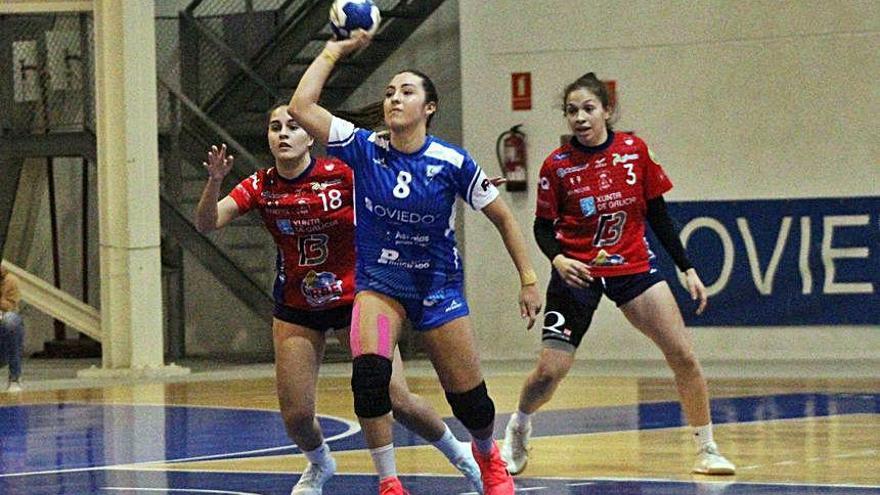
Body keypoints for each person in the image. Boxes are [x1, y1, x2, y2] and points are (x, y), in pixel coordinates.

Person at [289, 31, 542, 495]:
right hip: (382, 290)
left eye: (407, 92)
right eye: (389, 93)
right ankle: (388, 482)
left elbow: (503, 217)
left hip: (437, 291)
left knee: (471, 403)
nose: (394, 99)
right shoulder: (364, 147)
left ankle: (488, 456)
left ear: (429, 107)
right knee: (370, 378)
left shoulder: (452, 161)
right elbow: (302, 107)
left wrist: (528, 280)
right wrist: (335, 49)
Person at [195, 104, 485, 495]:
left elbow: (400, 188)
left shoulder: (342, 175)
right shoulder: (260, 185)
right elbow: (207, 222)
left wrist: (449, 188)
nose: (283, 134)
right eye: (275, 127)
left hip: (359, 300)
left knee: (396, 397)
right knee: (297, 417)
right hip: (298, 308)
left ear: (311, 137)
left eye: (293, 127)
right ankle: (319, 463)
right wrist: (214, 181)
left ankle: (461, 454)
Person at [500, 72, 736, 476]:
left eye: (589, 109)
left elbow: (658, 214)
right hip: (577, 272)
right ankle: (519, 425)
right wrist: (557, 259)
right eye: (572, 111)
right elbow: (542, 227)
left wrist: (686, 267)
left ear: (607, 110)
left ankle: (707, 449)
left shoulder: (634, 150)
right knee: (549, 373)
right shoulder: (556, 166)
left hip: (632, 266)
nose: (580, 117)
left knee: (683, 355)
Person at [0, 263, 25, 393]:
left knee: (11, 320)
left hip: (2, 342)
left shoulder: (10, 280)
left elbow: (11, 308)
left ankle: (15, 377)